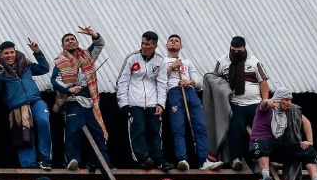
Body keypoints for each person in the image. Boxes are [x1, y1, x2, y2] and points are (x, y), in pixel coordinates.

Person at [51, 26, 113, 172]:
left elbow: (99, 44)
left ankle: (103, 164)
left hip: (90, 102)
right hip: (73, 101)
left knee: (98, 133)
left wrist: (94, 34)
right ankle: (73, 161)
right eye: (67, 40)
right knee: (73, 131)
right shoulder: (60, 61)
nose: (70, 42)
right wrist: (69, 89)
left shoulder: (87, 55)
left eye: (73, 39)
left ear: (77, 42)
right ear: (63, 46)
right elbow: (54, 80)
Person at [249, 87, 317, 180]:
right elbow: (263, 104)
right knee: (262, 142)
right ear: (278, 99)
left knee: (309, 151)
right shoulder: (266, 109)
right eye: (286, 100)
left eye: (290, 100)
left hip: (277, 147)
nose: (289, 103)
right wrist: (268, 101)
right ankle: (266, 178)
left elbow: (306, 122)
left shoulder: (289, 111)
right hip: (259, 147)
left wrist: (309, 141)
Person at [0, 40, 52, 170]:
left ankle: (44, 159)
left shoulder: (26, 65)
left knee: (43, 121)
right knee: (24, 135)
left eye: (12, 52)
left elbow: (44, 68)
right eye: (6, 53)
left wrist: (37, 52)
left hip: (35, 101)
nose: (10, 55)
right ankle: (29, 166)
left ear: (16, 52)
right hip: (17, 106)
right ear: (1, 55)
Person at [116, 31, 173, 171]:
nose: (144, 46)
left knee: (154, 131)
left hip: (153, 103)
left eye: (147, 44)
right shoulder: (132, 58)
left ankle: (158, 160)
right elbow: (122, 82)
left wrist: (161, 103)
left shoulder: (160, 61)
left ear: (155, 45)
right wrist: (123, 103)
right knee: (138, 130)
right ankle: (143, 159)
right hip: (134, 102)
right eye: (142, 43)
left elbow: (162, 83)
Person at [164, 35, 222, 171]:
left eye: (177, 40)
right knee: (178, 127)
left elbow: (199, 83)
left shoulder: (187, 62)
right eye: (171, 40)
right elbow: (159, 78)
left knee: (200, 126)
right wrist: (172, 67)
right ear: (166, 45)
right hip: (174, 91)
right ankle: (182, 159)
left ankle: (204, 160)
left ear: (181, 46)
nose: (173, 42)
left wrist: (189, 81)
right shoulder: (162, 61)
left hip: (190, 92)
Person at [214, 36, 269, 171]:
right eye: (234, 50)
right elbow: (214, 81)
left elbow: (263, 81)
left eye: (239, 50)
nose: (236, 53)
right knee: (236, 130)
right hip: (235, 103)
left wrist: (265, 100)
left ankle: (263, 159)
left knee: (261, 132)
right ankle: (236, 159)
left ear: (244, 48)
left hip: (255, 103)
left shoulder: (253, 61)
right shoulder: (222, 61)